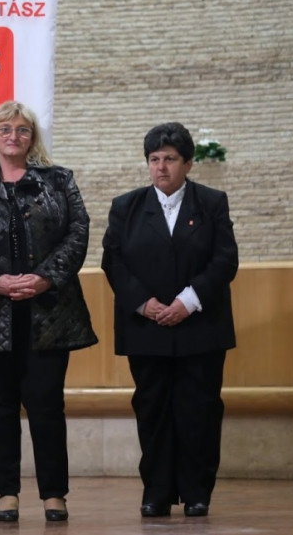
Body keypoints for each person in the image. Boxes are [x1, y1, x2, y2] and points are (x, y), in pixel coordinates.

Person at [0, 101, 98, 522]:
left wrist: (45, 277)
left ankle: (54, 494)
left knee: (47, 406)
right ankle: (6, 494)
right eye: (5, 129)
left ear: (32, 138)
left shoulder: (58, 180)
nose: (14, 136)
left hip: (49, 311)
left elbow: (78, 232)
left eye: (23, 130)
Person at [101, 122, 238, 518]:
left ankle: (197, 493)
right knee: (153, 410)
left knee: (200, 411)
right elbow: (114, 261)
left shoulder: (212, 202)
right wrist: (144, 303)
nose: (161, 167)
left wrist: (187, 301)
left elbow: (225, 260)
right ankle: (156, 492)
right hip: (147, 327)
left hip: (200, 327)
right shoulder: (126, 206)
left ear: (188, 163)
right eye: (154, 159)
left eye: (170, 159)